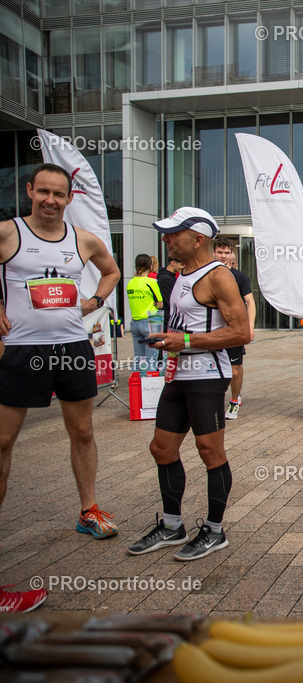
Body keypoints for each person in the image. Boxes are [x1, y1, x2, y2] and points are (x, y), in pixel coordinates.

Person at [0, 163, 121, 610]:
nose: (50, 200)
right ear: (29, 191)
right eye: (43, 192)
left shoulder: (83, 239)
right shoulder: (8, 233)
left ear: (69, 198)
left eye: (59, 194)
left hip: (71, 347)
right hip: (20, 350)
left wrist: (94, 302)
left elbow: (111, 272)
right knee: (3, 440)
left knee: (84, 431)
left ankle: (88, 510)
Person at [127, 208, 249, 561]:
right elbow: (186, 325)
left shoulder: (219, 277)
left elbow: (242, 332)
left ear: (198, 239)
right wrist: (170, 340)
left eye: (172, 234)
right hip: (179, 374)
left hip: (208, 377)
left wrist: (186, 341)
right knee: (161, 449)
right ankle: (171, 524)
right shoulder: (180, 274)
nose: (165, 240)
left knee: (211, 453)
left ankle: (214, 531)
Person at [212, 239, 256, 420]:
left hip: (234, 330)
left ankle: (234, 401)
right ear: (213, 253)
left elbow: (250, 302)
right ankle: (213, 402)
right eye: (220, 252)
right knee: (212, 368)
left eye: (226, 252)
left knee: (235, 369)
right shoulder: (207, 276)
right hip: (213, 330)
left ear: (231, 254)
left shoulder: (240, 277)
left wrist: (250, 325)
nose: (223, 256)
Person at [126, 253, 164, 371]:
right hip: (150, 321)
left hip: (135, 323)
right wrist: (155, 303)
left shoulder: (131, 282)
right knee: (151, 357)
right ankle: (149, 386)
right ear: (150, 266)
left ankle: (135, 383)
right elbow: (160, 304)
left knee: (138, 357)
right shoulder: (152, 282)